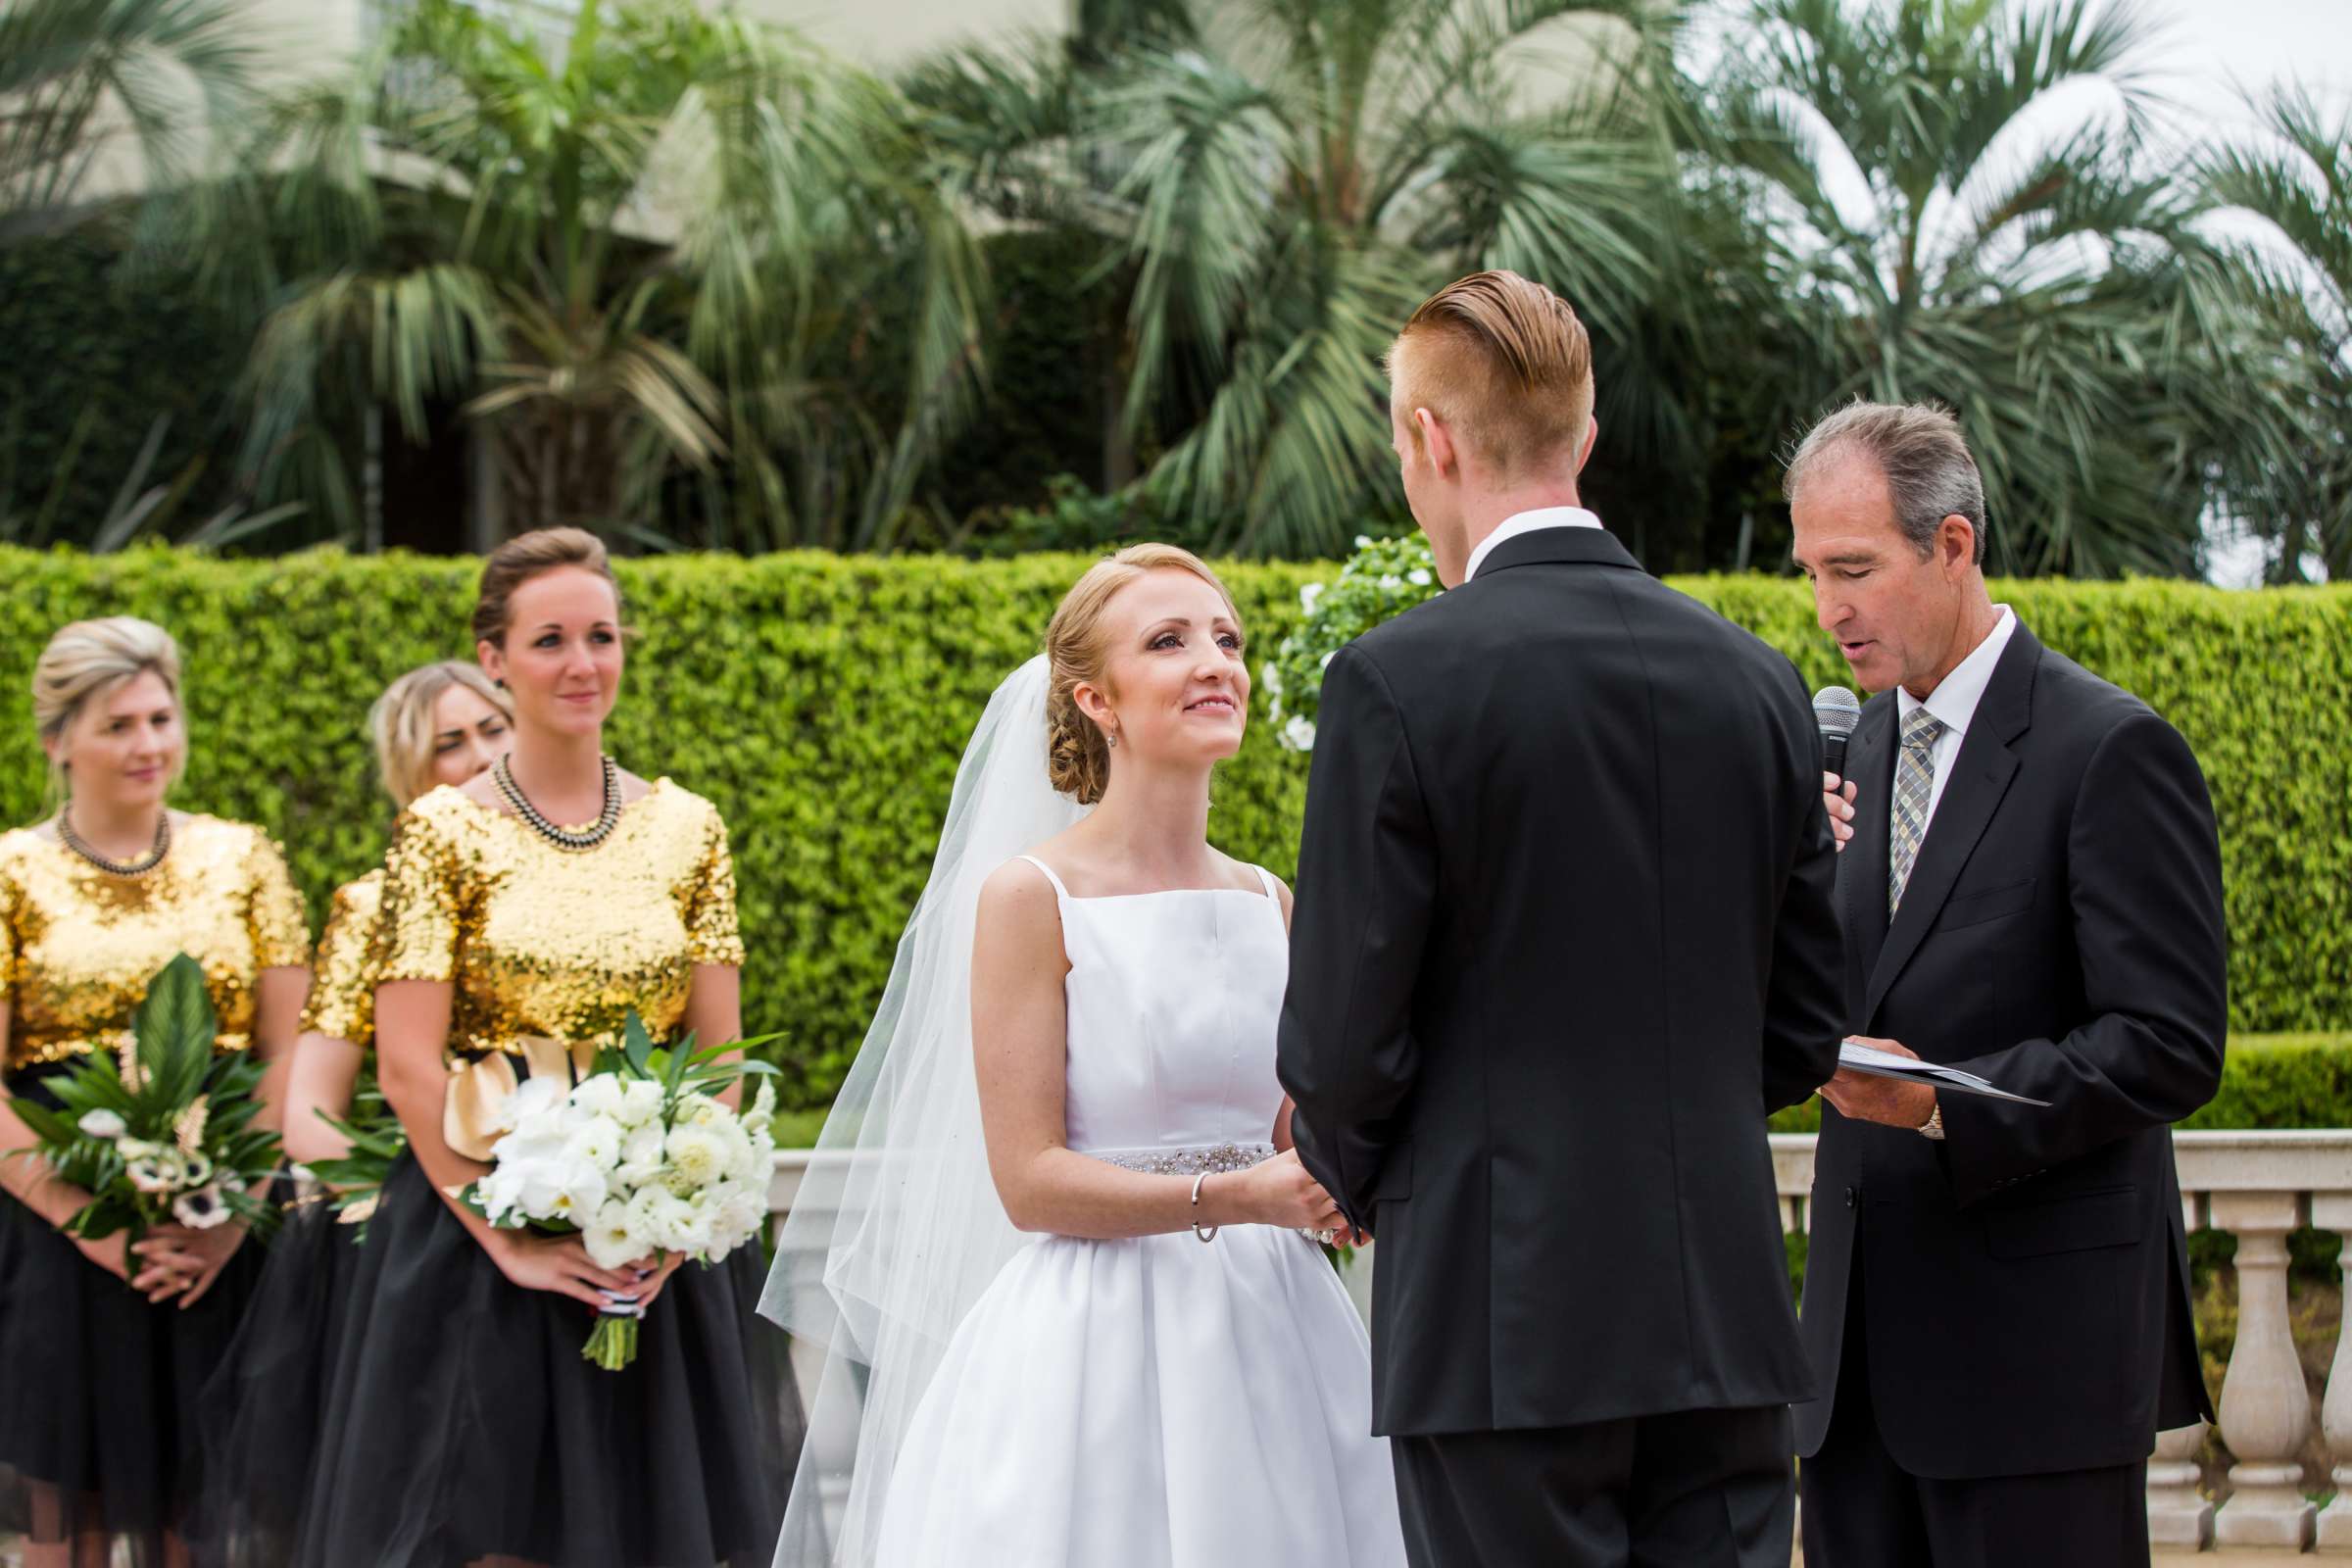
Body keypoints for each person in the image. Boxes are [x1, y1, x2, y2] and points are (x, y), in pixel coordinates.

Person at [1276, 270, 1847, 1568]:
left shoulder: (1396, 678)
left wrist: (1360, 1170)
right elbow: (1811, 1015)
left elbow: (1344, 1031)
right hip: (1725, 1317)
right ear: (1584, 439)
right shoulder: (1755, 680)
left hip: (1498, 1320)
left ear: (1428, 440)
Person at [764, 544, 1405, 1568]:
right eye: (1169, 641)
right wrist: (1240, 1197)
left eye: (1226, 639)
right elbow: (1030, 1179)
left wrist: (1355, 1171)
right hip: (1091, 1342)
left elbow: (1297, 1134)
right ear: (1095, 700)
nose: (1215, 662)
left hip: (1275, 1330)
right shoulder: (1031, 898)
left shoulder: (1267, 904)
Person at [297, 528, 798, 1568]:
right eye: (551, 639)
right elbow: (404, 1065)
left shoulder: (689, 827)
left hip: (658, 1262)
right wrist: (508, 1239)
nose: (582, 664)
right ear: (493, 657)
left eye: (602, 636)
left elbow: (720, 1057)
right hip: (478, 1246)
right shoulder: (441, 833)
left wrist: (677, 1210)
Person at [1789, 400, 2225, 1566]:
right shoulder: (1854, 752)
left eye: (1855, 568)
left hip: (2037, 1372)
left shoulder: (2109, 748)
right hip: (1855, 1380)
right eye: (1812, 573)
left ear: (1954, 546)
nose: (1830, 611)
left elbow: (2172, 1041)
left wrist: (1943, 1102)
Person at [0, 616, 311, 1567]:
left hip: (227, 1227)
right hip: (57, 1235)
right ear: (58, 741)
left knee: (208, 1514)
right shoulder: (11, 870)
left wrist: (230, 1214)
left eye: (160, 718)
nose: (148, 745)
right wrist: (95, 1225)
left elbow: (288, 1051)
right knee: (71, 1520)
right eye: (118, 724)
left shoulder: (244, 858)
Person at [195, 661, 512, 1567]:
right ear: (408, 774)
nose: (478, 754)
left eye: (491, 728)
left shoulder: (596, 875)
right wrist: (415, 1202)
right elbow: (311, 1109)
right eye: (447, 742)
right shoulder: (374, 907)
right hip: (424, 1251)